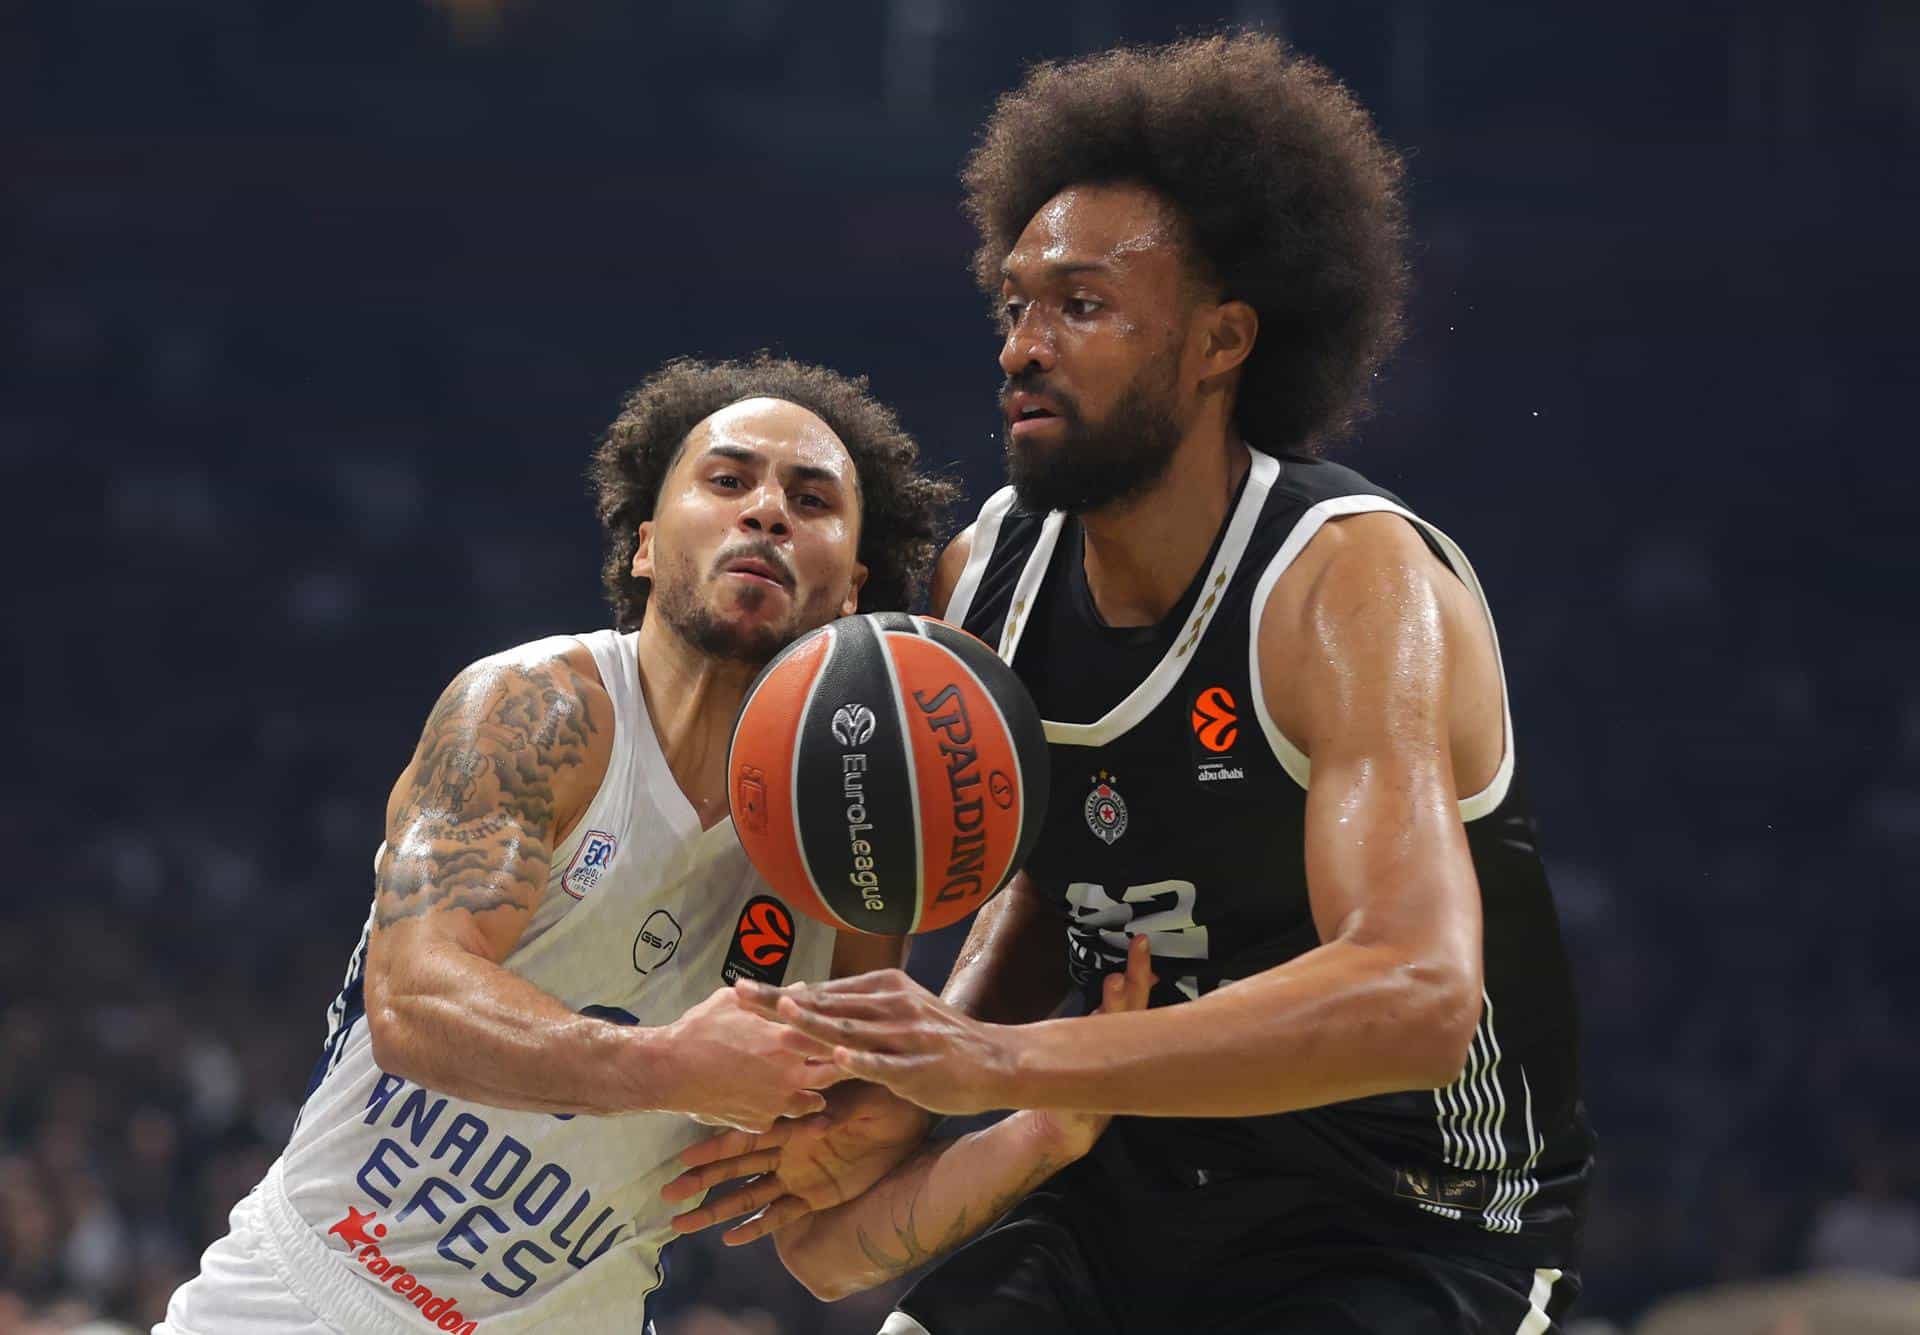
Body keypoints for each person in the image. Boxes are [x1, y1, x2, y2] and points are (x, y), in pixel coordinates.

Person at [672, 33, 1594, 1333]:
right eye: (1014, 304)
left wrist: (990, 1057)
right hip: (1128, 1177)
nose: (1023, 347)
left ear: (1223, 340)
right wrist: (906, 1084)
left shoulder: (1345, 585)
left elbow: (1416, 996)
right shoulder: (988, 573)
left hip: (1408, 1212)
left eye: (1082, 306)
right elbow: (1051, 895)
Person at [154, 354, 957, 1335]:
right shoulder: (539, 709)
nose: (767, 512)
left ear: (851, 588)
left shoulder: (850, 848)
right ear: (649, 545)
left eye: (811, 498)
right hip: (305, 1301)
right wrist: (672, 1067)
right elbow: (415, 1002)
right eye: (728, 480)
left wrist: (1046, 1124)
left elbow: (826, 1239)